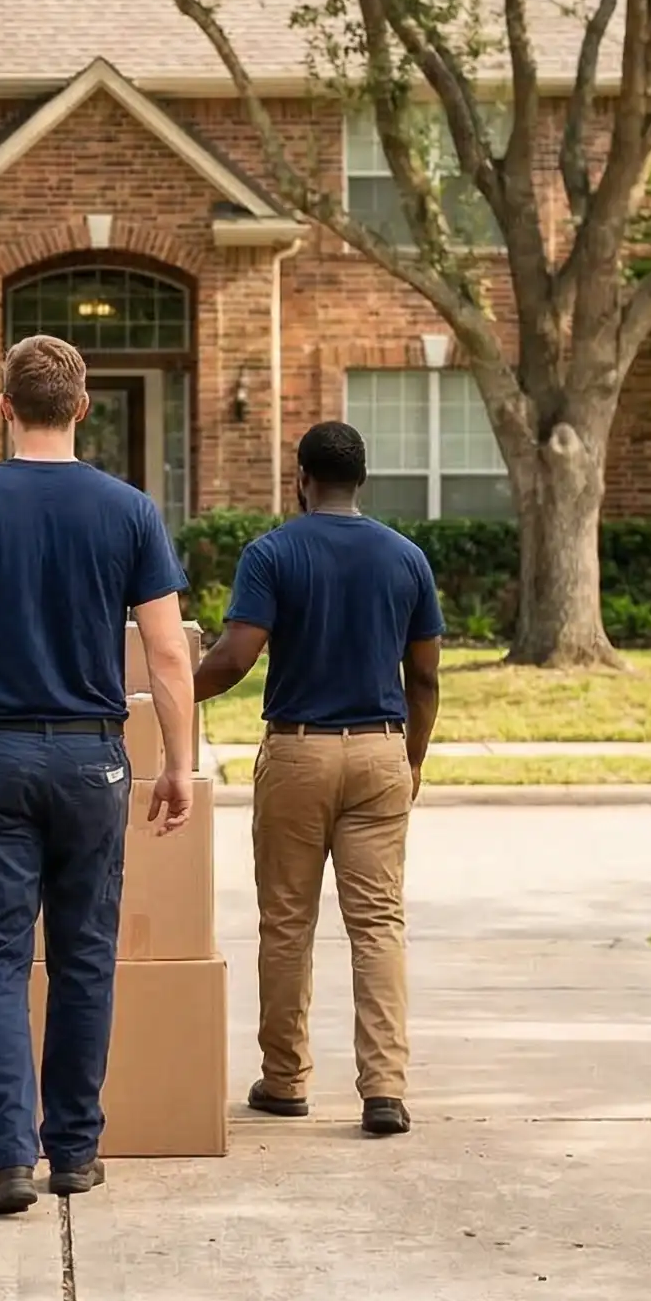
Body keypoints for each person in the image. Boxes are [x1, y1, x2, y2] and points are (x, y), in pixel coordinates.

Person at [0, 335, 195, 1217]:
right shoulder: (129, 510)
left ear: (3, 408)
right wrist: (176, 761)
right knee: (84, 957)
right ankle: (72, 1150)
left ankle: (7, 1157)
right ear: (84, 406)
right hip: (93, 757)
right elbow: (170, 653)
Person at [193, 421, 440, 1137]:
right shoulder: (406, 559)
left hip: (299, 752)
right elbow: (423, 675)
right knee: (378, 923)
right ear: (360, 479)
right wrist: (412, 756)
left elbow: (236, 659)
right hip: (381, 751)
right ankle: (385, 1090)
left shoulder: (273, 553)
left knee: (287, 922)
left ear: (301, 477)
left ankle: (285, 1078)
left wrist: (168, 692)